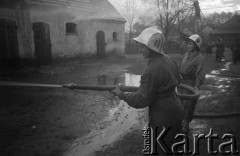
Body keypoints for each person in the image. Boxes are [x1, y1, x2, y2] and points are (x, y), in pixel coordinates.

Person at [110, 27, 184, 155]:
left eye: (143, 47)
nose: (140, 50)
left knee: (158, 149)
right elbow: (178, 80)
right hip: (177, 110)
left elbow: (142, 100)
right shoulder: (170, 60)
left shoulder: (151, 69)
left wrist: (121, 94)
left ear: (152, 48)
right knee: (172, 147)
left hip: (162, 116)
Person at [179, 34, 205, 134]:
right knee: (179, 102)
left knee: (188, 104)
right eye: (187, 44)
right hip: (181, 82)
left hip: (191, 83)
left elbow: (200, 73)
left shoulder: (199, 57)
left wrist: (196, 85)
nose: (188, 46)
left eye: (190, 44)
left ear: (196, 45)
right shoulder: (186, 55)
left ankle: (185, 125)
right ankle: (179, 122)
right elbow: (180, 68)